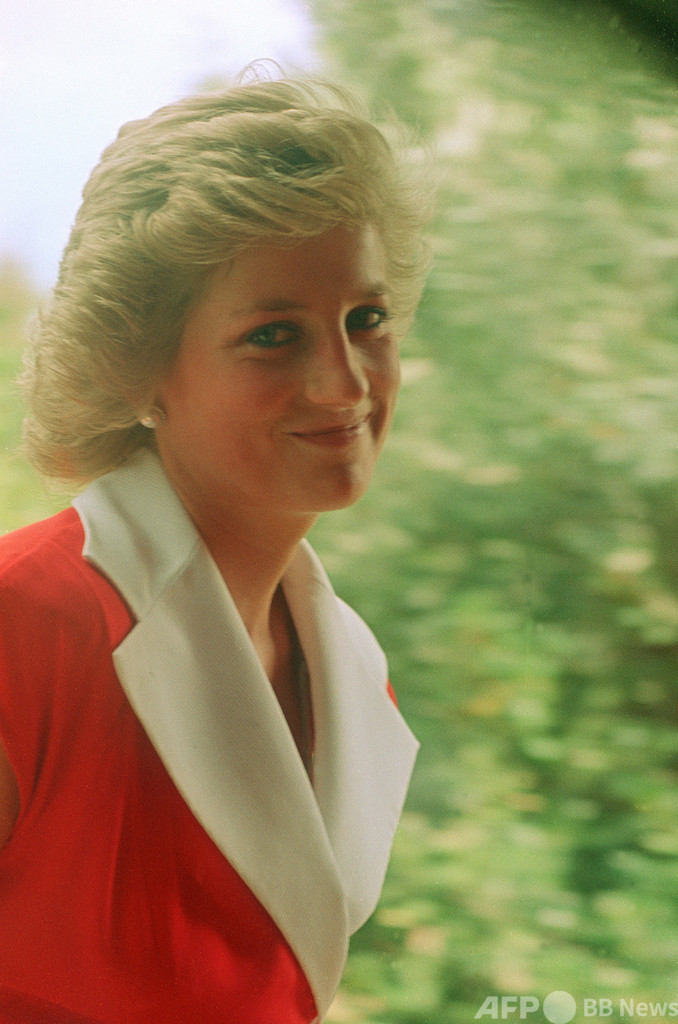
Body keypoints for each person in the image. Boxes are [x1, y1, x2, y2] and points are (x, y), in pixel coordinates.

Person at [0, 71, 431, 1023]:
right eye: (274, 335)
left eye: (366, 320)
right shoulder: (20, 623)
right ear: (138, 370)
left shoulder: (354, 666)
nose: (345, 384)